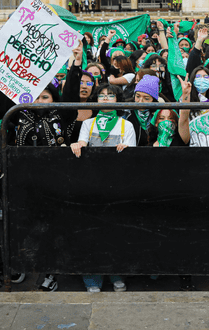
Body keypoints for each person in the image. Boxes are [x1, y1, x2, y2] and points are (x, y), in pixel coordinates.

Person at [69, 82, 134, 293]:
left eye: (110, 95)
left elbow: (133, 157)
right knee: (90, 233)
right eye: (102, 96)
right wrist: (77, 145)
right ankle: (92, 278)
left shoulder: (127, 125)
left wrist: (126, 150)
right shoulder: (88, 124)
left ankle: (117, 274)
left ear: (118, 100)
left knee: (116, 233)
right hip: (91, 184)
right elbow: (82, 145)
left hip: (118, 187)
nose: (106, 99)